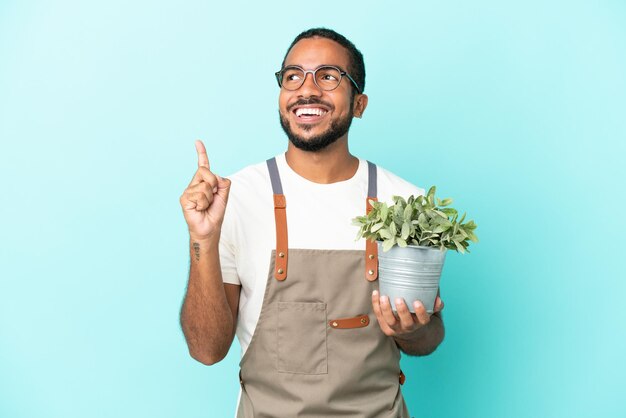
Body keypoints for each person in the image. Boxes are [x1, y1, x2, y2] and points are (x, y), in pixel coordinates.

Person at [179, 27, 445, 418]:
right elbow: (207, 350)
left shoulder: (409, 204)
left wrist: (413, 329)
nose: (307, 89)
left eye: (329, 76)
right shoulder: (234, 199)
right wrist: (201, 238)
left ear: (359, 104)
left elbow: (429, 336)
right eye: (293, 76)